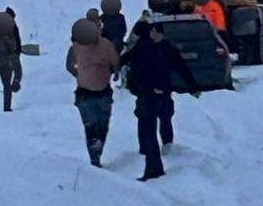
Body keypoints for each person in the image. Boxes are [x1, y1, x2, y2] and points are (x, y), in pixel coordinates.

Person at [122, 22, 200, 181]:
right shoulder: (146, 47)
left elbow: (155, 70)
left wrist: (155, 86)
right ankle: (152, 154)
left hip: (151, 93)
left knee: (152, 125)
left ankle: (155, 163)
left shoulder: (146, 49)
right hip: (151, 93)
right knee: (149, 125)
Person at [66, 18, 120, 167]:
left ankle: (95, 152)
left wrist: (80, 74)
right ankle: (95, 154)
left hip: (93, 93)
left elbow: (69, 66)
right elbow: (115, 64)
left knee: (95, 125)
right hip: (94, 93)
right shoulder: (81, 46)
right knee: (96, 125)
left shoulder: (80, 46)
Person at [4, 7, 23, 93]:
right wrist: (18, 49)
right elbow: (17, 39)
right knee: (17, 70)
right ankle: (15, 84)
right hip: (13, 51)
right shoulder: (12, 26)